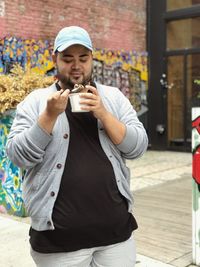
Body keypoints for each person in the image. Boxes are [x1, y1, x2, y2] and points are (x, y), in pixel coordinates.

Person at [6, 26, 148, 267]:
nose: (76, 66)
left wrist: (103, 113)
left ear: (92, 58)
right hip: (58, 242)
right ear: (55, 60)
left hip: (115, 237)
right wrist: (48, 117)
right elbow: (18, 156)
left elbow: (138, 147)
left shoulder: (113, 97)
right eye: (67, 58)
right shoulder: (36, 102)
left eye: (83, 58)